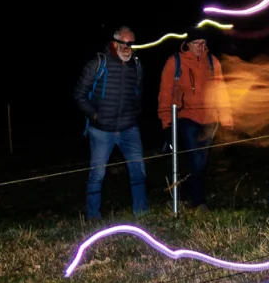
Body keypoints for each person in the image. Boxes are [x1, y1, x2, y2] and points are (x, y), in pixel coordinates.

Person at [74, 26, 148, 220]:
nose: (127, 47)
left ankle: (142, 214)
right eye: (124, 43)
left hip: (129, 128)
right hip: (101, 130)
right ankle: (93, 217)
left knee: (138, 171)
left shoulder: (137, 66)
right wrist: (95, 115)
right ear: (115, 43)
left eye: (131, 43)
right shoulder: (98, 63)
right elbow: (79, 94)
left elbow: (138, 94)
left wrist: (134, 114)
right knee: (97, 175)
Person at [157, 26, 235, 209]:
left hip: (209, 118)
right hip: (186, 118)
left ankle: (183, 193)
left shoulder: (212, 61)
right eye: (196, 43)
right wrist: (167, 122)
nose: (201, 47)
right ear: (188, 44)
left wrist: (226, 119)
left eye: (203, 43)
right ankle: (199, 202)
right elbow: (165, 93)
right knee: (196, 159)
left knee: (201, 162)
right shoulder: (175, 62)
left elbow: (221, 90)